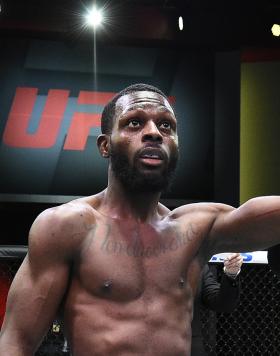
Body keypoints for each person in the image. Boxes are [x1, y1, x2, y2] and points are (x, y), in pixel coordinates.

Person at [1, 83, 280, 355]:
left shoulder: (196, 228)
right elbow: (16, 343)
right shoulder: (67, 226)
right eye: (134, 123)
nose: (154, 133)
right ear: (105, 145)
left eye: (166, 125)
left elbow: (260, 215)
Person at [191, 253, 243, 355]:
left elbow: (223, 304)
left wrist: (230, 274)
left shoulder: (195, 264)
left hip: (190, 348)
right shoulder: (150, 265)